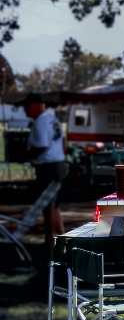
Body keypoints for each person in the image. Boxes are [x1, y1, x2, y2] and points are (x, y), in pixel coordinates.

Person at [25, 93, 67, 243]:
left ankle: (49, 240)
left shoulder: (40, 121)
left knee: (47, 204)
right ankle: (62, 237)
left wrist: (27, 156)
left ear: (36, 105)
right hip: (59, 164)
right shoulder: (52, 118)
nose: (25, 110)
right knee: (54, 204)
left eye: (27, 106)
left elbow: (42, 145)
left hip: (48, 167)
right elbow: (63, 142)